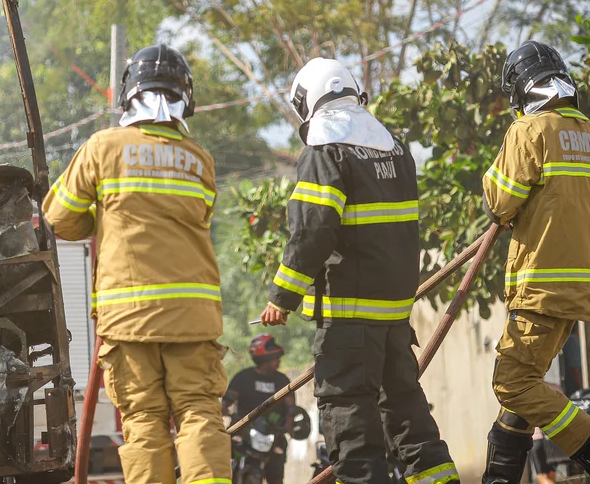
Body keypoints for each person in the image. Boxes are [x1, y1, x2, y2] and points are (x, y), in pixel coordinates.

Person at [260, 58, 459, 484]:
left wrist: (281, 297)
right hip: (392, 317)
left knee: (349, 416)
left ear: (305, 103)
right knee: (407, 412)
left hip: (349, 321)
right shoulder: (395, 148)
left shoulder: (326, 152)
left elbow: (313, 231)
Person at [44, 43, 229, 484]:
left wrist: (102, 217)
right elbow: (197, 220)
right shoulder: (199, 160)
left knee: (144, 419)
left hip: (130, 318)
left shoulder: (103, 148)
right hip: (194, 317)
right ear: (185, 96)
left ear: (128, 94)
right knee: (199, 410)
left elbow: (58, 219)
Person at [480, 40, 590, 483]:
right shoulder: (585, 131)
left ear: (521, 90)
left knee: (513, 384)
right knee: (526, 387)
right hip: (577, 287)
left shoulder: (529, 130)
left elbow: (499, 201)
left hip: (541, 286)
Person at [224, 334, 294, 484]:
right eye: (276, 358)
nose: (279, 361)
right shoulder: (243, 377)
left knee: (276, 477)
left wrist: (288, 424)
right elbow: (228, 400)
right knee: (229, 465)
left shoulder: (282, 380)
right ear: (266, 359)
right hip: (244, 436)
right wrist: (222, 409)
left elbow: (291, 407)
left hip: (274, 436)